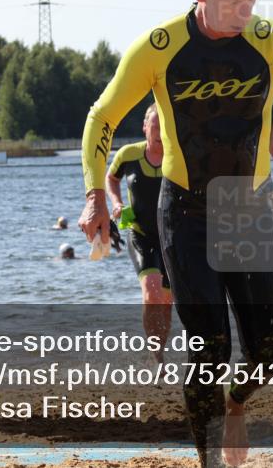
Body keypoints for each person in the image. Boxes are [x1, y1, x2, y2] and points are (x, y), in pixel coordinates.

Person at [77, 0, 273, 468]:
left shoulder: (269, 40)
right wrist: (96, 193)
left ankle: (235, 404)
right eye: (233, 1)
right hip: (185, 213)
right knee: (209, 348)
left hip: (247, 212)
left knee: (269, 354)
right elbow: (102, 116)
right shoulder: (159, 47)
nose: (245, 12)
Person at [106, 104, 171, 363]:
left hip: (172, 236)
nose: (159, 132)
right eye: (155, 126)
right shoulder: (128, 154)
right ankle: (157, 355)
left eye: (164, 127)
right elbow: (111, 178)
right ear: (145, 127)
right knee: (151, 292)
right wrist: (117, 203)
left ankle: (160, 347)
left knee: (166, 300)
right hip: (139, 232)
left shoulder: (177, 156)